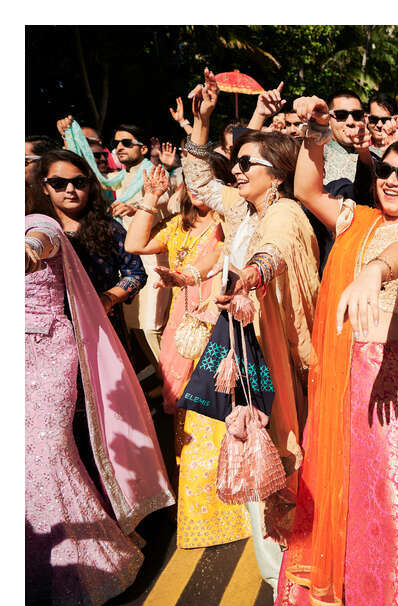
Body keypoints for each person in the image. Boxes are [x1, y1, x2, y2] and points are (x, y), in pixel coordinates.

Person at [270, 100, 398, 606]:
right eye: (385, 170)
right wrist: (316, 132)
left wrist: (373, 272)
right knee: (349, 487)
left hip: (392, 378)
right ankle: (355, 586)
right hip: (346, 374)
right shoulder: (359, 218)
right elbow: (307, 190)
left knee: (391, 491)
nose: (393, 180)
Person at [182, 68, 322, 585]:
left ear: (278, 174)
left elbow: (276, 251)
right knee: (253, 448)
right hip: (246, 350)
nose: (235, 171)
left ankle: (291, 575)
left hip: (274, 355)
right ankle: (282, 572)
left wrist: (253, 277)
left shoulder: (284, 213)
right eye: (236, 163)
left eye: (246, 164)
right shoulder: (244, 209)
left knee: (280, 453)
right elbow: (199, 181)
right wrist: (201, 125)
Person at [25, 193, 175, 606]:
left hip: (67, 347)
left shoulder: (43, 225)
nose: (67, 191)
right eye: (58, 182)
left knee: (53, 452)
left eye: (74, 181)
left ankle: (101, 551)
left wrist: (112, 296)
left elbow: (132, 270)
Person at [125, 161, 253, 551]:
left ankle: (227, 504)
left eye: (204, 181)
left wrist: (187, 278)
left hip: (217, 318)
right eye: (190, 182)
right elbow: (133, 245)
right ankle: (201, 502)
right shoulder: (177, 227)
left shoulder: (229, 224)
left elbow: (213, 265)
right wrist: (150, 198)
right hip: (183, 325)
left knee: (216, 408)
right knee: (186, 410)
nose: (195, 189)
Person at [57, 116, 172, 375]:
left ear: (143, 149)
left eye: (127, 142)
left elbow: (172, 210)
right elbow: (76, 175)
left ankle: (174, 388)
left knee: (151, 326)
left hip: (151, 262)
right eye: (116, 142)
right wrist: (68, 138)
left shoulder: (156, 175)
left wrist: (139, 209)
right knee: (135, 328)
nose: (119, 147)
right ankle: (162, 382)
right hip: (121, 259)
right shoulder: (116, 178)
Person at [35, 150, 147, 348]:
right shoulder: (36, 231)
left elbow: (136, 274)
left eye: (79, 183)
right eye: (58, 183)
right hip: (49, 337)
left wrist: (107, 299)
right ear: (45, 187)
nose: (70, 189)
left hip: (102, 327)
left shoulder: (110, 228)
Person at [324, 90, 365, 184]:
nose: (350, 122)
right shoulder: (316, 155)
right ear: (328, 120)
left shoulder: (377, 155)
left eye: (357, 115)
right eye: (341, 115)